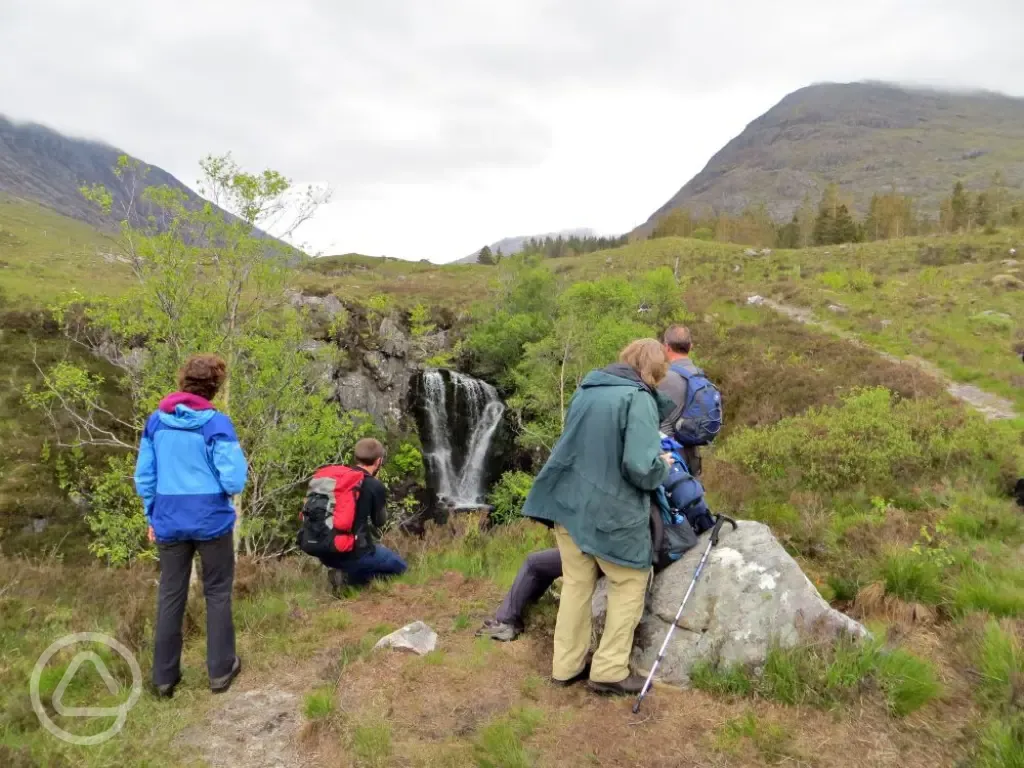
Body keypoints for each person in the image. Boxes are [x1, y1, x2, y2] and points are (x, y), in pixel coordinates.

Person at [523, 339, 671, 695]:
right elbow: (639, 466)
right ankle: (608, 670)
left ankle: (566, 666)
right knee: (629, 580)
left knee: (576, 583)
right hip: (611, 512)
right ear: (652, 371)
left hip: (569, 505)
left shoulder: (588, 389)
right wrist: (661, 467)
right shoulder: (638, 399)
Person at [134, 354, 248, 698]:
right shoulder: (216, 424)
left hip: (168, 519)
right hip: (211, 520)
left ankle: (164, 678)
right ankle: (220, 671)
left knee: (171, 593)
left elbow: (145, 477)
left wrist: (151, 515)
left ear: (183, 382)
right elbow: (234, 479)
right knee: (216, 592)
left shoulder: (156, 422)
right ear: (214, 387)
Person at [311, 438, 408, 591]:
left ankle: (344, 576)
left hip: (324, 550)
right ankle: (348, 579)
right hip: (353, 552)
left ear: (356, 458)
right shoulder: (373, 485)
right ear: (379, 461)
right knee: (401, 568)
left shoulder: (339, 480)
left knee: (362, 561)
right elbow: (379, 522)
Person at [659, 325, 703, 476]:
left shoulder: (663, 377)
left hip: (668, 455)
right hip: (693, 454)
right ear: (691, 346)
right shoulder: (700, 376)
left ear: (666, 347)